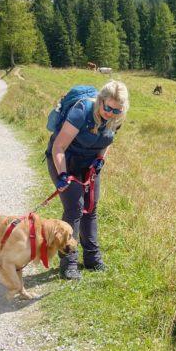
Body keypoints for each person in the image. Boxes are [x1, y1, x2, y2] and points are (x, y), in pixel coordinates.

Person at [46, 80, 129, 280]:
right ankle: (68, 263)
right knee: (75, 207)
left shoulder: (117, 118)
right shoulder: (82, 111)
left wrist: (101, 159)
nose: (110, 113)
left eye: (116, 110)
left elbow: (107, 140)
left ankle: (92, 258)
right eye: (107, 107)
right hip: (64, 160)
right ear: (100, 101)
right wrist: (63, 175)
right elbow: (58, 147)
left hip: (90, 164)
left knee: (91, 207)